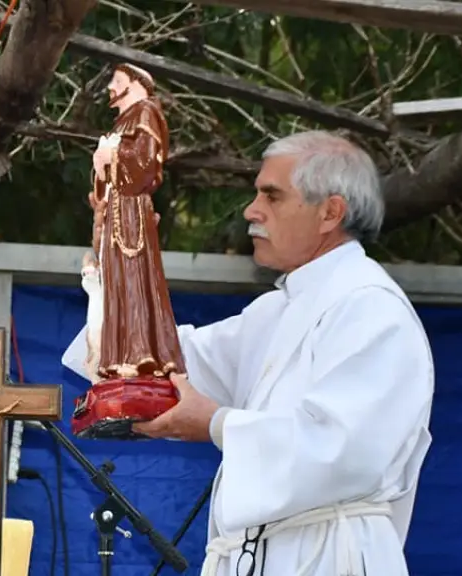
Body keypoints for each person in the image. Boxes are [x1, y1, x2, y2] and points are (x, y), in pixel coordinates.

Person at [64, 131, 434, 575]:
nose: (250, 211)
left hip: (330, 558)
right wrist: (122, 255)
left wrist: (218, 424)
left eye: (271, 197)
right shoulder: (277, 310)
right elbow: (155, 367)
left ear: (330, 213)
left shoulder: (373, 309)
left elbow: (343, 451)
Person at [86, 62, 182, 381]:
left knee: (133, 280)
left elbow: (143, 165)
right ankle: (117, 356)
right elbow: (103, 184)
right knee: (115, 282)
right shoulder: (122, 121)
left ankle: (140, 353)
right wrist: (101, 167)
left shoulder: (145, 113)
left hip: (131, 210)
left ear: (135, 83)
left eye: (116, 81)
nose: (110, 88)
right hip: (115, 208)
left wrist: (113, 157)